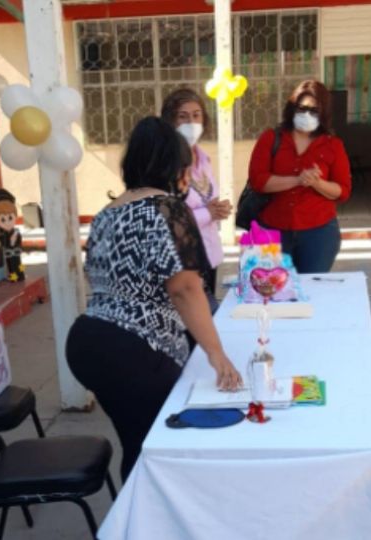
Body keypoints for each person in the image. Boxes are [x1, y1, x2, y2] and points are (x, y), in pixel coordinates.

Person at [66, 117, 242, 481]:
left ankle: (132, 520)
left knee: (138, 442)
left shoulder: (106, 214)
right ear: (173, 167)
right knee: (155, 449)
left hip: (87, 340)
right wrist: (216, 352)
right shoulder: (167, 209)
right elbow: (185, 288)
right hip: (133, 347)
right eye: (184, 168)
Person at [247, 80, 352, 273]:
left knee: (311, 292)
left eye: (314, 111)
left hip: (318, 233)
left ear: (323, 114)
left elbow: (343, 191)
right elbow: (258, 181)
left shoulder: (333, 145)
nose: (307, 115)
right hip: (273, 229)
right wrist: (297, 179)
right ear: (292, 108)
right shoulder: (271, 138)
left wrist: (317, 183)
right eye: (302, 108)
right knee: (272, 291)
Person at [160, 88, 231, 296]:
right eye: (183, 116)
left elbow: (209, 197)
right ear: (170, 121)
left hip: (209, 254)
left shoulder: (203, 158)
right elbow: (166, 218)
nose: (191, 122)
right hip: (183, 258)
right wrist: (208, 213)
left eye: (196, 115)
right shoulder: (166, 164)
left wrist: (218, 209)